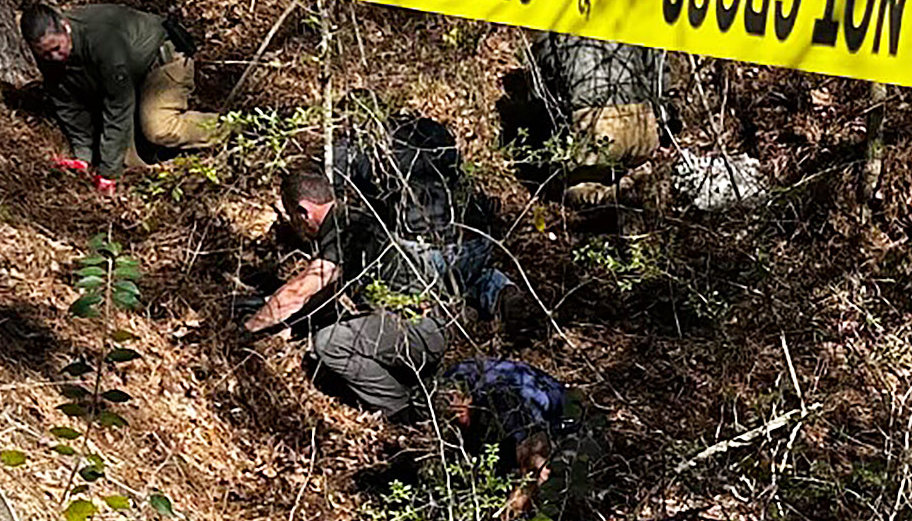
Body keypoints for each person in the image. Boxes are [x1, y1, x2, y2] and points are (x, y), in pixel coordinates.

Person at [239, 127, 501, 420]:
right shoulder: (354, 218)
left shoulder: (344, 230)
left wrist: (246, 330)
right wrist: (291, 323)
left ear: (304, 211)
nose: (296, 227)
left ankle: (404, 409)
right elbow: (324, 294)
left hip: (422, 330)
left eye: (292, 218)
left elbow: (301, 290)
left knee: (330, 343)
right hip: (428, 323)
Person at [22, 2, 214, 183]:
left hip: (162, 62)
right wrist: (83, 156)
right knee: (127, 158)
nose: (54, 57)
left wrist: (108, 174)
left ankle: (226, 129)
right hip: (127, 75)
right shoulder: (48, 50)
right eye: (45, 54)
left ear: (66, 27)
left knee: (158, 128)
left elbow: (119, 103)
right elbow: (68, 104)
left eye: (57, 48)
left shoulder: (100, 38)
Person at [434, 357, 600, 521]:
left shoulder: (506, 401)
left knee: (549, 485)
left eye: (457, 416)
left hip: (569, 424)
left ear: (464, 400)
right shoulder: (450, 380)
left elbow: (535, 470)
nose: (456, 423)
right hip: (504, 416)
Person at [503, 33, 668, 204]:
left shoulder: (552, 28)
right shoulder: (631, 21)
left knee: (565, 187)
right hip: (642, 127)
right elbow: (659, 73)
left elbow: (538, 97)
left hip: (594, 128)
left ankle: (604, 198)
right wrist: (662, 123)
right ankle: (635, 178)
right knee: (633, 161)